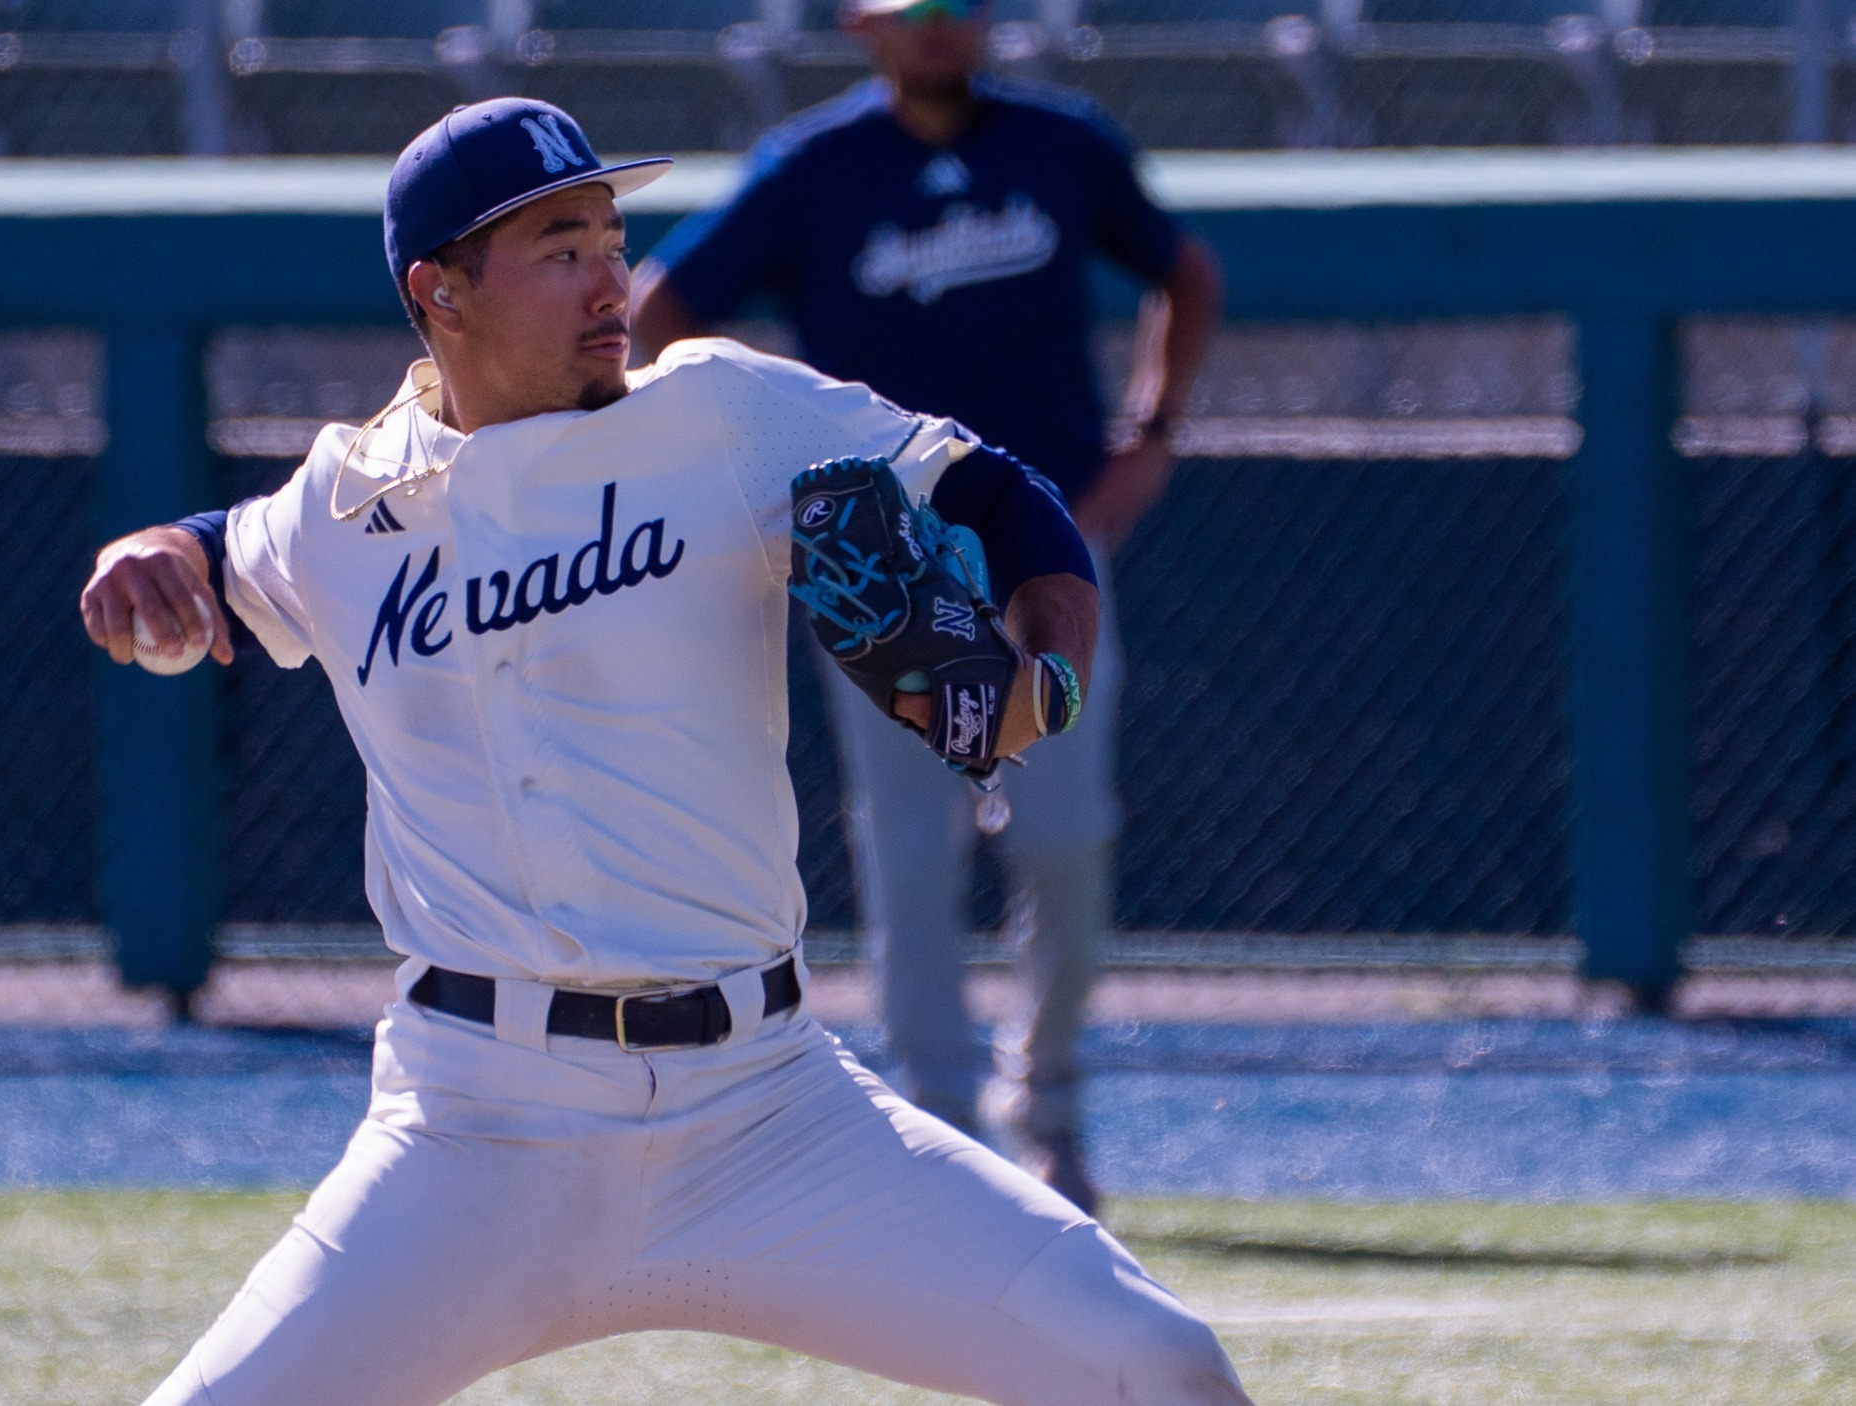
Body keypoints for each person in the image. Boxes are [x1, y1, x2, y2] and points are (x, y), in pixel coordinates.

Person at [80, 97, 1248, 1406]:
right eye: (560, 246)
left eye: (611, 237)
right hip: (478, 1130)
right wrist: (159, 550)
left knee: (1159, 1366)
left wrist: (1053, 656)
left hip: (767, 1112)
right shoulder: (347, 500)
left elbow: (994, 491)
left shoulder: (723, 411)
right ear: (439, 290)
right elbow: (221, 547)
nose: (610, 279)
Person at [632, 0, 1224, 1215]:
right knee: (908, 856)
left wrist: (1154, 435)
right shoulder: (813, 167)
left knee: (1065, 842)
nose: (942, 28)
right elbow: (658, 309)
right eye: (916, 10)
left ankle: (1046, 1104)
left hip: (1040, 551)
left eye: (962, 6)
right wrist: (735, 473)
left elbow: (1184, 270)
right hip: (882, 563)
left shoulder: (1061, 145)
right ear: (862, 25)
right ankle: (944, 1140)